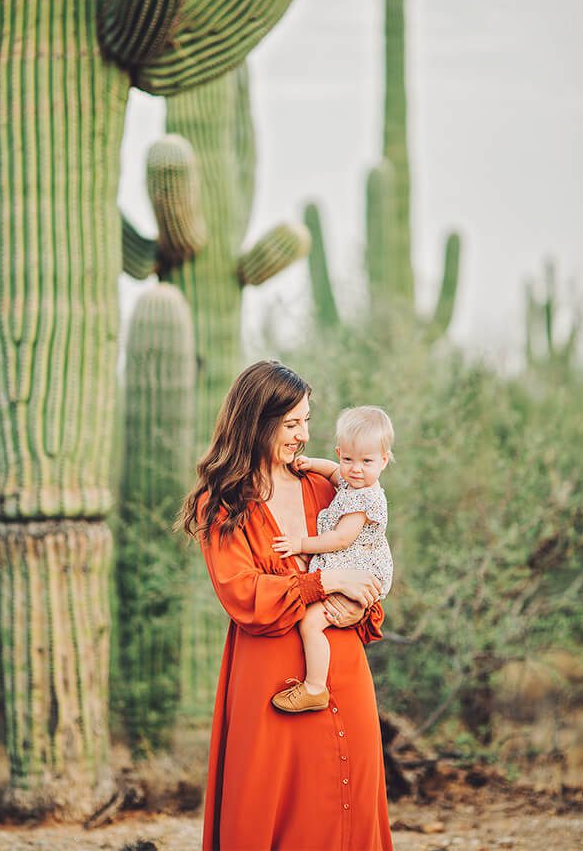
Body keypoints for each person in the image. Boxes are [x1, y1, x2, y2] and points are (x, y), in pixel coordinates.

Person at [181, 360, 394, 850]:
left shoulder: (329, 488)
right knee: (273, 807)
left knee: (351, 804)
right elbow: (242, 592)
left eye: (307, 421)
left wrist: (362, 604)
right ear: (257, 422)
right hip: (268, 676)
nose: (303, 435)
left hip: (343, 665)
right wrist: (325, 581)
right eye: (291, 424)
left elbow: (365, 558)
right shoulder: (223, 501)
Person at [269, 405, 397, 714]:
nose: (355, 469)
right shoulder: (353, 479)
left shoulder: (365, 498)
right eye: (348, 459)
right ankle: (315, 684)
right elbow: (333, 472)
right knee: (316, 618)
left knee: (312, 623)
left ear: (383, 460)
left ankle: (315, 687)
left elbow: (341, 538)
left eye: (366, 461)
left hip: (361, 568)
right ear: (340, 452)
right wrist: (311, 463)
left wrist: (302, 544)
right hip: (350, 567)